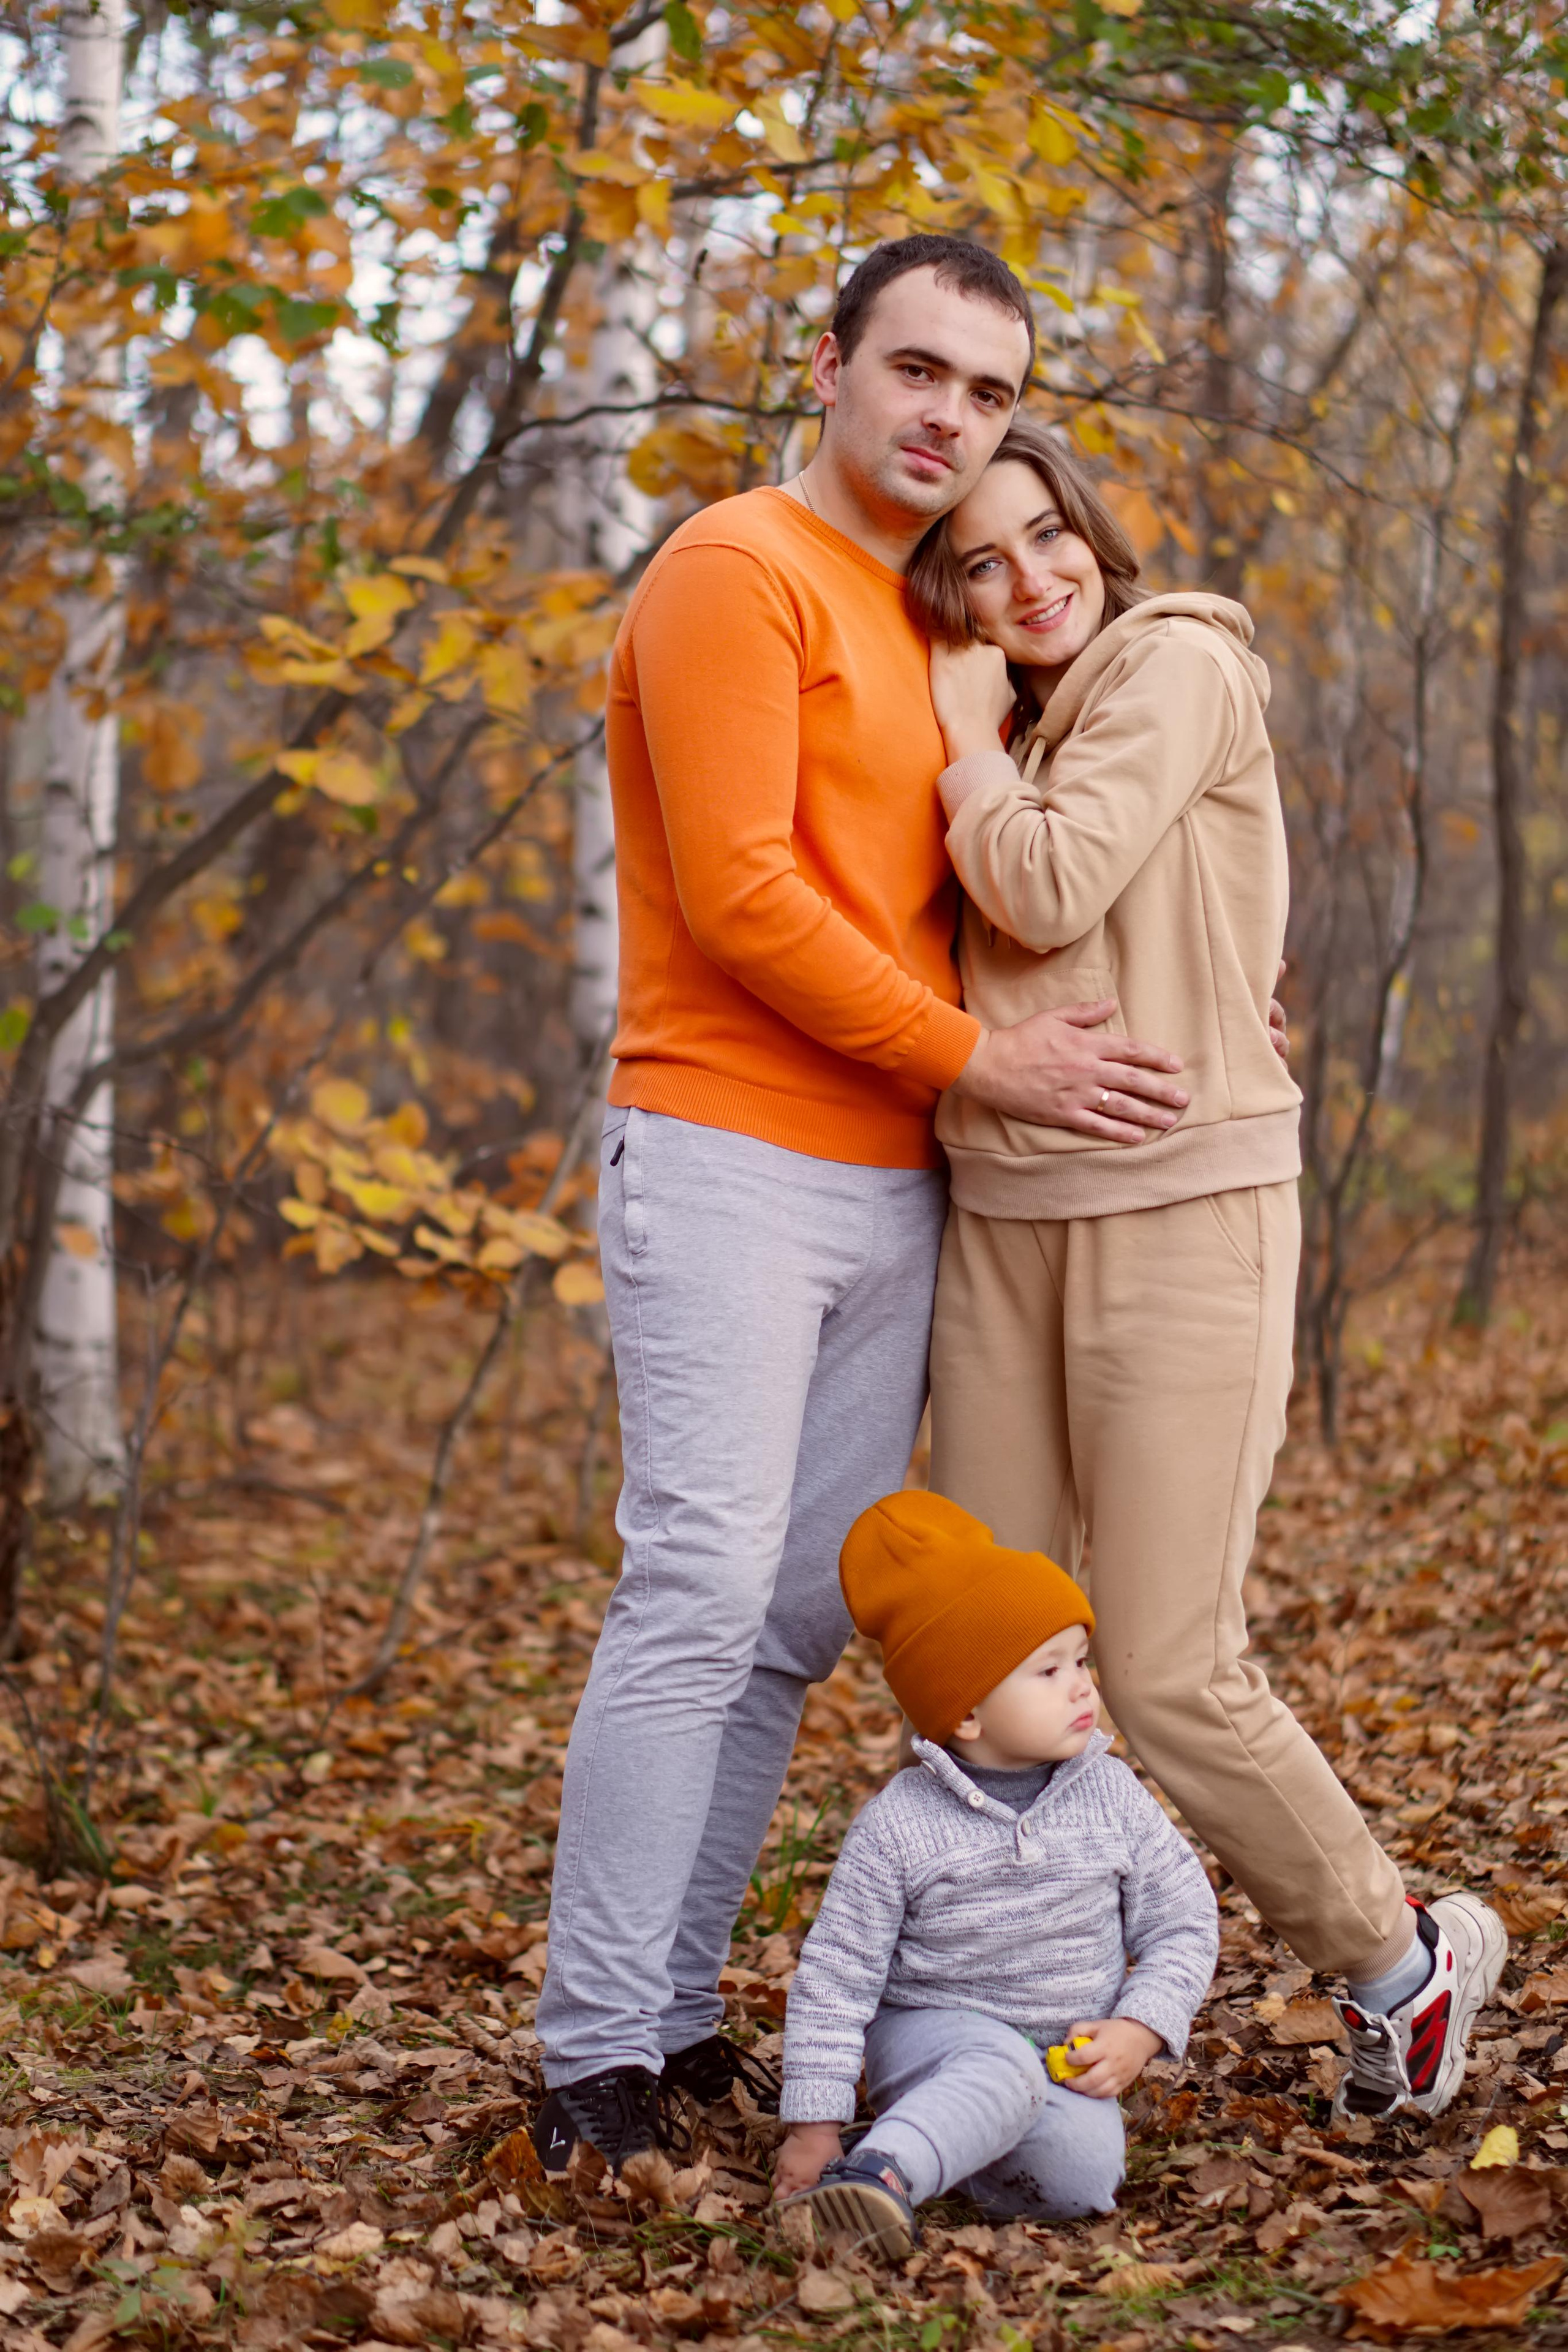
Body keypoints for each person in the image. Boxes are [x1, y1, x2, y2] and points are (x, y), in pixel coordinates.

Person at [530, 238, 1205, 2176]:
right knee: (692, 1581)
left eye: (988, 395)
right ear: (826, 366)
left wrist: (1186, 1000)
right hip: (727, 1149)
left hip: (894, 1176)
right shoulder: (733, 568)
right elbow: (745, 895)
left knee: (787, 1626)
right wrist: (978, 1062)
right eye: (916, 371)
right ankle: (586, 2059)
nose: (946, 418)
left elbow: (1030, 874)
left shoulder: (943, 621)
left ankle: (666, 2013)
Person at [911, 418, 1506, 2122]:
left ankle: (1400, 1963)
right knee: (986, 1667)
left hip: (1183, 1210)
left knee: (1167, 1665)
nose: (1030, 580)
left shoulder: (1175, 664)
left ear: (1093, 530)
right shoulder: (1010, 723)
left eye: (1046, 537)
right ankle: (1020, 2029)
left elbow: (1046, 878)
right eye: (980, 564)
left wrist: (963, 743)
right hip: (1001, 1219)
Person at [774, 1491, 1218, 2255]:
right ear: (965, 1711)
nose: (1083, 1684)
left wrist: (1141, 2028)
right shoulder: (900, 1827)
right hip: (930, 2038)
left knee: (1084, 2178)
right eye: (1048, 1671)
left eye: (1080, 1660)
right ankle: (878, 2171)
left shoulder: (1110, 1795)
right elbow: (837, 1977)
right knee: (994, 2068)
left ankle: (940, 2154)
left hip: (1056, 2059)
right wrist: (813, 2124)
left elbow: (1184, 1919)